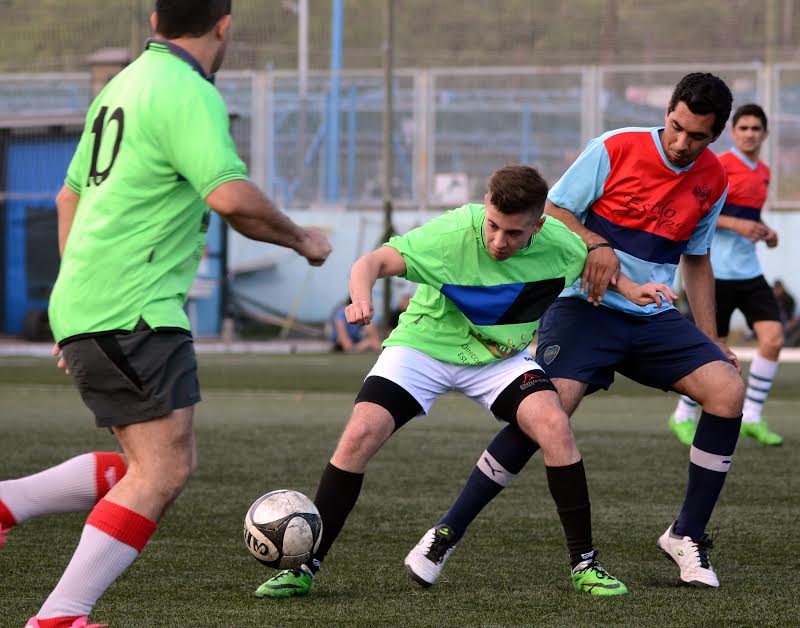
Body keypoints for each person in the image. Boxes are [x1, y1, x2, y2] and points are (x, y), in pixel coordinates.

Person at [2, 3, 333, 626]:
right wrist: (303, 240)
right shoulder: (187, 90)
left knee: (150, 463)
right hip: (134, 308)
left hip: (98, 302)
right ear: (224, 26)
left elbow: (67, 195)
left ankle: (8, 506)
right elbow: (231, 197)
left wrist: (76, 299)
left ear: (154, 17)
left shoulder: (120, 86)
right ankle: (59, 616)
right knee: (162, 469)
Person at [254, 164, 677, 599]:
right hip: (424, 346)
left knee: (555, 425)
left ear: (539, 223)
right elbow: (373, 261)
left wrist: (631, 289)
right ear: (485, 208)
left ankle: (585, 565)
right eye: (492, 225)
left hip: (499, 357)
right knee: (361, 431)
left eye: (514, 233)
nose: (498, 241)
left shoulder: (562, 245)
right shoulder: (453, 232)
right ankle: (303, 567)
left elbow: (592, 263)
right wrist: (361, 297)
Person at [403, 73, 745, 590]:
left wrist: (713, 336)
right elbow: (554, 211)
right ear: (668, 111)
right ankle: (447, 532)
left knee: (727, 390)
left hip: (650, 313)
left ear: (714, 135)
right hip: (582, 307)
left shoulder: (714, 179)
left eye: (696, 136)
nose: (680, 143)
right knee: (549, 409)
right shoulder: (615, 148)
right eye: (675, 127)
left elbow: (696, 259)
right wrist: (595, 243)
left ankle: (687, 534)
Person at [670, 103, 785, 447]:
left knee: (774, 339)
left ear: (764, 134)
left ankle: (752, 415)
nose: (750, 134)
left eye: (756, 128)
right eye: (744, 128)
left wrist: (765, 231)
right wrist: (738, 224)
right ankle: (683, 414)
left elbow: (748, 216)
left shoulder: (763, 171)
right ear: (733, 133)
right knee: (711, 351)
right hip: (715, 274)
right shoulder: (718, 166)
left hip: (749, 273)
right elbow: (699, 214)